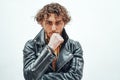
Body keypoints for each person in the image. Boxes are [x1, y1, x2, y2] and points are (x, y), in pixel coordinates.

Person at [23, 3, 84, 80]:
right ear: (41, 23)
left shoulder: (74, 46)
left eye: (58, 23)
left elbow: (76, 77)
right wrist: (50, 48)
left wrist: (41, 78)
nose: (54, 28)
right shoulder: (31, 45)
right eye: (49, 23)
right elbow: (29, 76)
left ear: (64, 23)